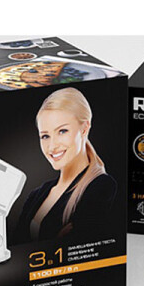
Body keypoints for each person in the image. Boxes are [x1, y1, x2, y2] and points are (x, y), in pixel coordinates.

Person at [16, 87, 116, 242]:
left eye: (62, 131)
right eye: (45, 136)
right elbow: (17, 244)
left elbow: (82, 243)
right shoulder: (36, 194)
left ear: (84, 129)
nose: (52, 146)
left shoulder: (101, 186)